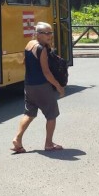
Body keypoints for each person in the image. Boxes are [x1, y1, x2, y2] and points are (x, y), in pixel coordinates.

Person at [11, 22, 65, 154]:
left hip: (29, 85)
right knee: (51, 114)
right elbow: (46, 72)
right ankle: (49, 143)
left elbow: (25, 63)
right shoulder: (41, 49)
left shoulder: (29, 45)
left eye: (50, 33)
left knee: (29, 113)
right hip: (42, 86)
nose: (49, 36)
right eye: (46, 33)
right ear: (38, 34)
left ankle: (17, 139)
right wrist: (58, 86)